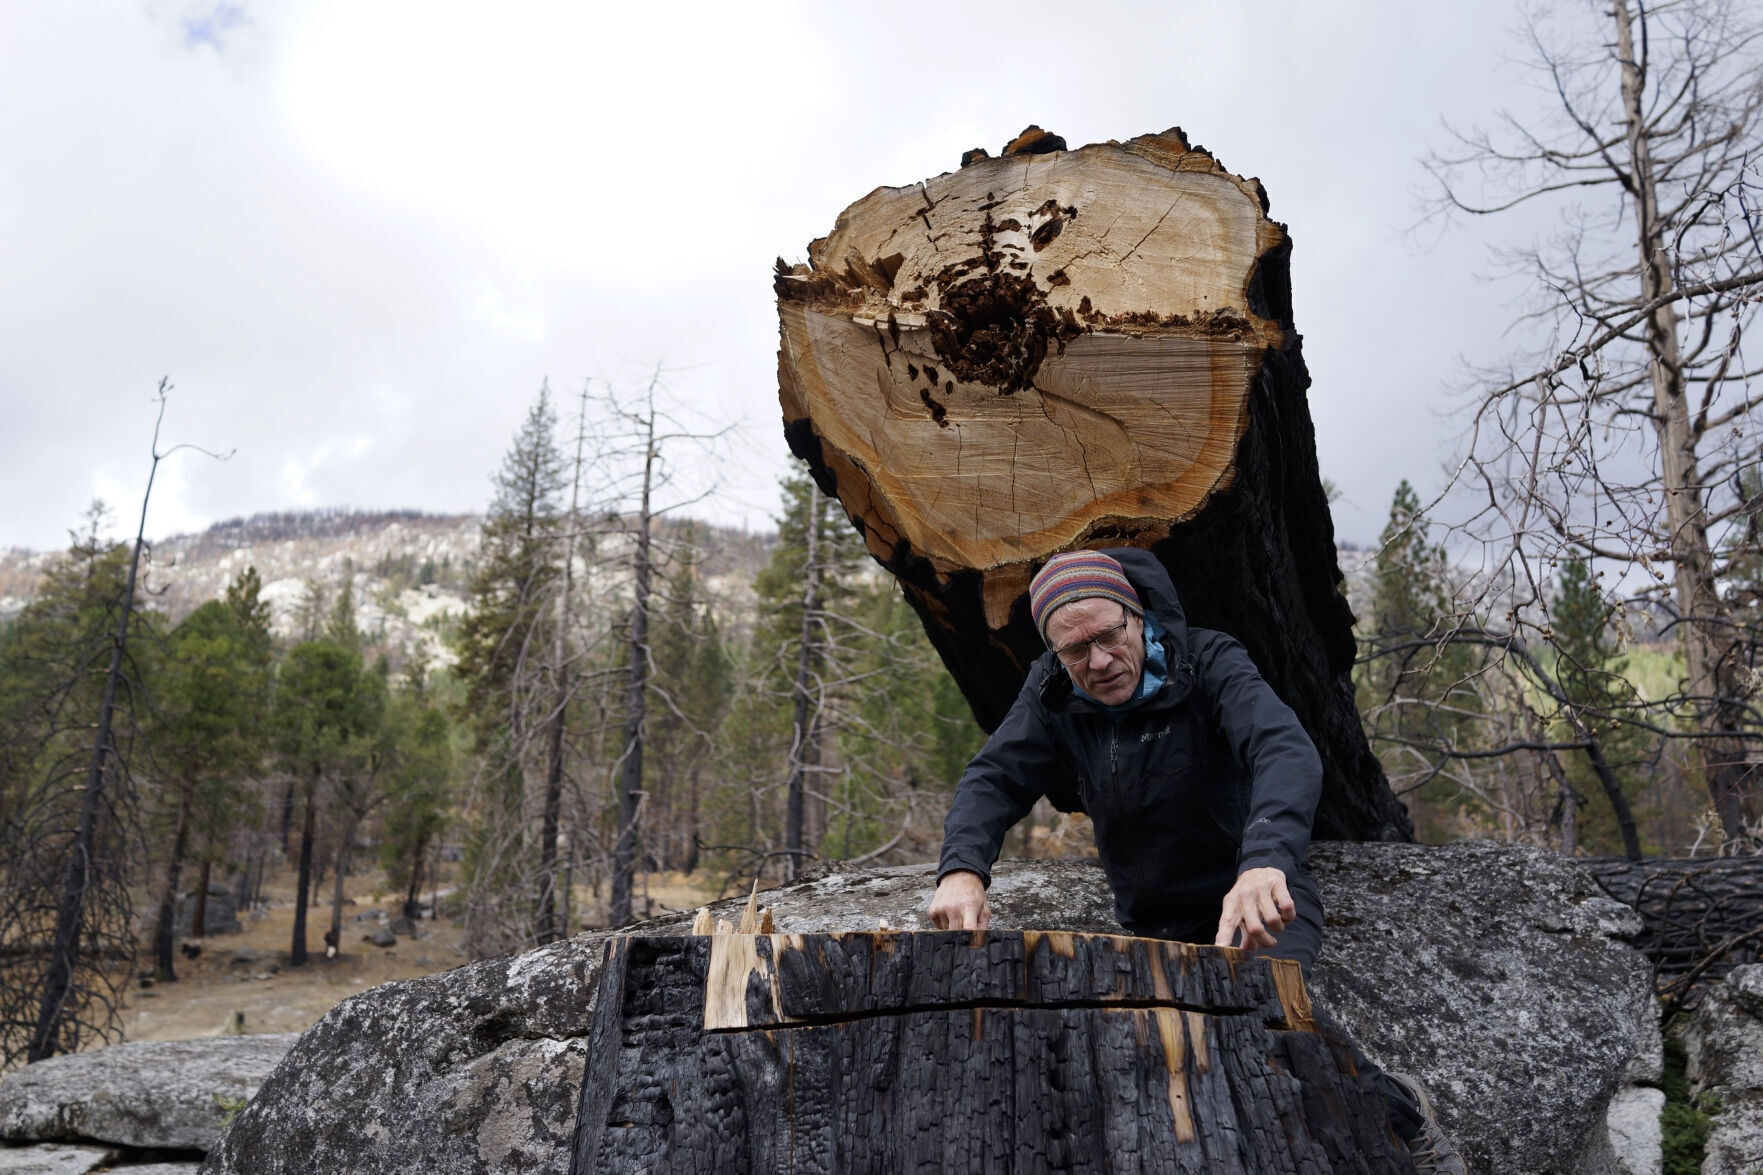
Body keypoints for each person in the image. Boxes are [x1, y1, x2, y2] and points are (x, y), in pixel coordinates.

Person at [928, 548, 1465, 1174]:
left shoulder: (1207, 660)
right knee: (1152, 1067)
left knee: (1268, 1019)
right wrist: (961, 870)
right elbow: (993, 777)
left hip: (1253, 898)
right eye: (1075, 651)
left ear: (1137, 616)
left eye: (1108, 636)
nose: (1098, 662)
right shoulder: (1050, 690)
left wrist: (1265, 862)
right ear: (1054, 652)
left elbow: (1284, 750)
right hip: (1155, 919)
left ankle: (1406, 1124)